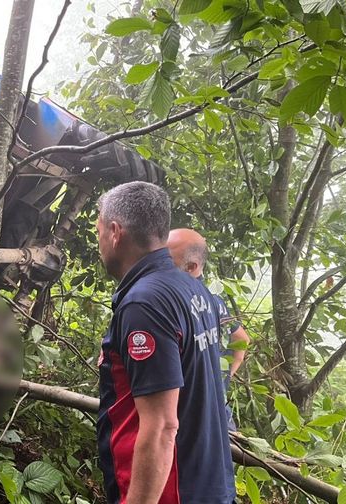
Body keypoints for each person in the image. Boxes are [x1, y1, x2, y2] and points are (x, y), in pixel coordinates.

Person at [95, 182, 235, 504]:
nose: (99, 241)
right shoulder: (193, 289)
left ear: (115, 232)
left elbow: (161, 427)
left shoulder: (144, 304)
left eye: (100, 231)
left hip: (171, 492)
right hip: (209, 484)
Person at [167, 228, 251, 431]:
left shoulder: (180, 300)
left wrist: (228, 373)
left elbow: (242, 339)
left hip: (195, 411)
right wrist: (227, 373)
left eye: (168, 261)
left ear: (191, 267)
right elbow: (242, 338)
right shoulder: (215, 300)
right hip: (215, 405)